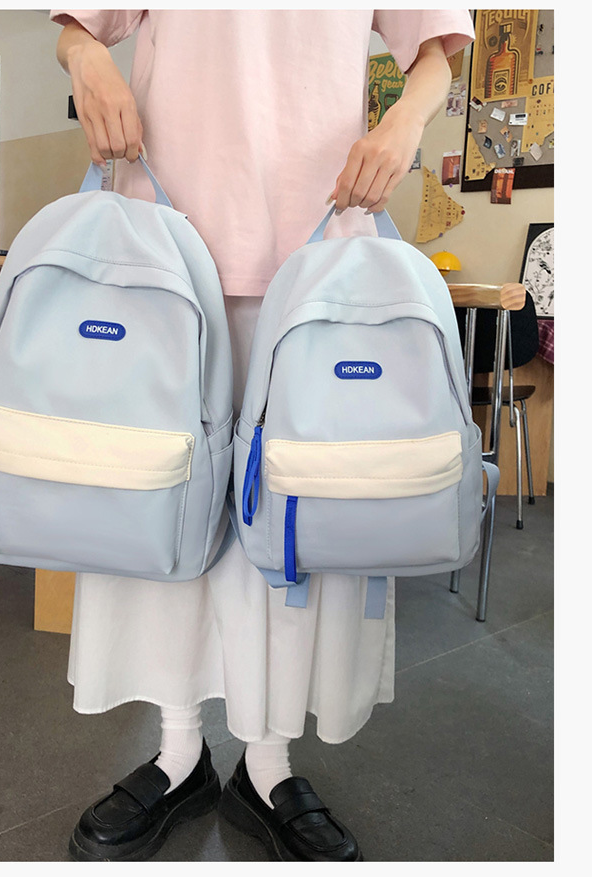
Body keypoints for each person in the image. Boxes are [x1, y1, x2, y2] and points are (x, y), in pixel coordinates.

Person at [51, 9, 474, 862]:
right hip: (166, 247)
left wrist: (404, 120)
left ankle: (268, 764)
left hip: (316, 243)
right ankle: (178, 753)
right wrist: (85, 56)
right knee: (158, 504)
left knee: (301, 526)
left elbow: (436, 52)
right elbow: (77, 24)